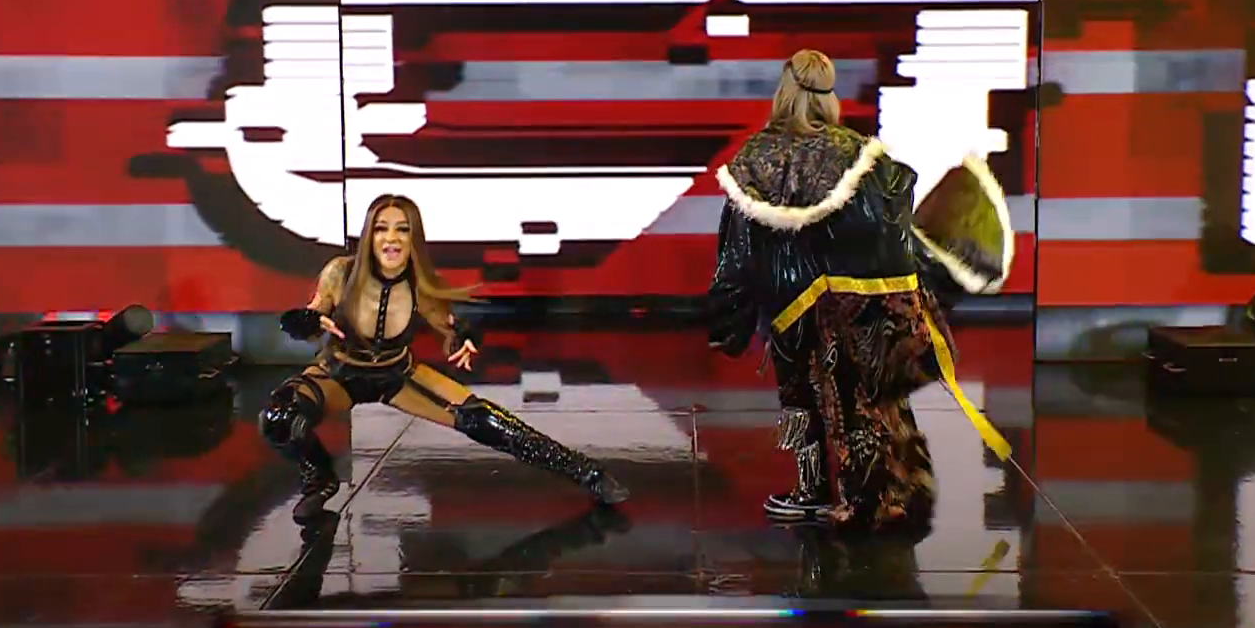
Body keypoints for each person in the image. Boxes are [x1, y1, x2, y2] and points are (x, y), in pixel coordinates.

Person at [707, 49, 1016, 531]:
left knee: (799, 393)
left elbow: (738, 252)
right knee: (867, 398)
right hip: (857, 310)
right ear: (828, 96)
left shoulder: (755, 161)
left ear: (783, 93)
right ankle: (883, 491)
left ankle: (810, 489)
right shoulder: (862, 156)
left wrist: (728, 322)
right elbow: (891, 232)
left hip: (790, 308)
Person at [263, 193, 629, 523]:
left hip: (397, 374)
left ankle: (588, 473)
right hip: (340, 371)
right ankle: (319, 478)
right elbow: (310, 315)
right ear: (369, 235)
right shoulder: (340, 273)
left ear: (414, 238)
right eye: (382, 229)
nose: (391, 238)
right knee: (279, 417)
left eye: (402, 229)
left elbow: (454, 326)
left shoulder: (421, 285)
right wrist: (305, 321)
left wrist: (466, 338)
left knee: (486, 420)